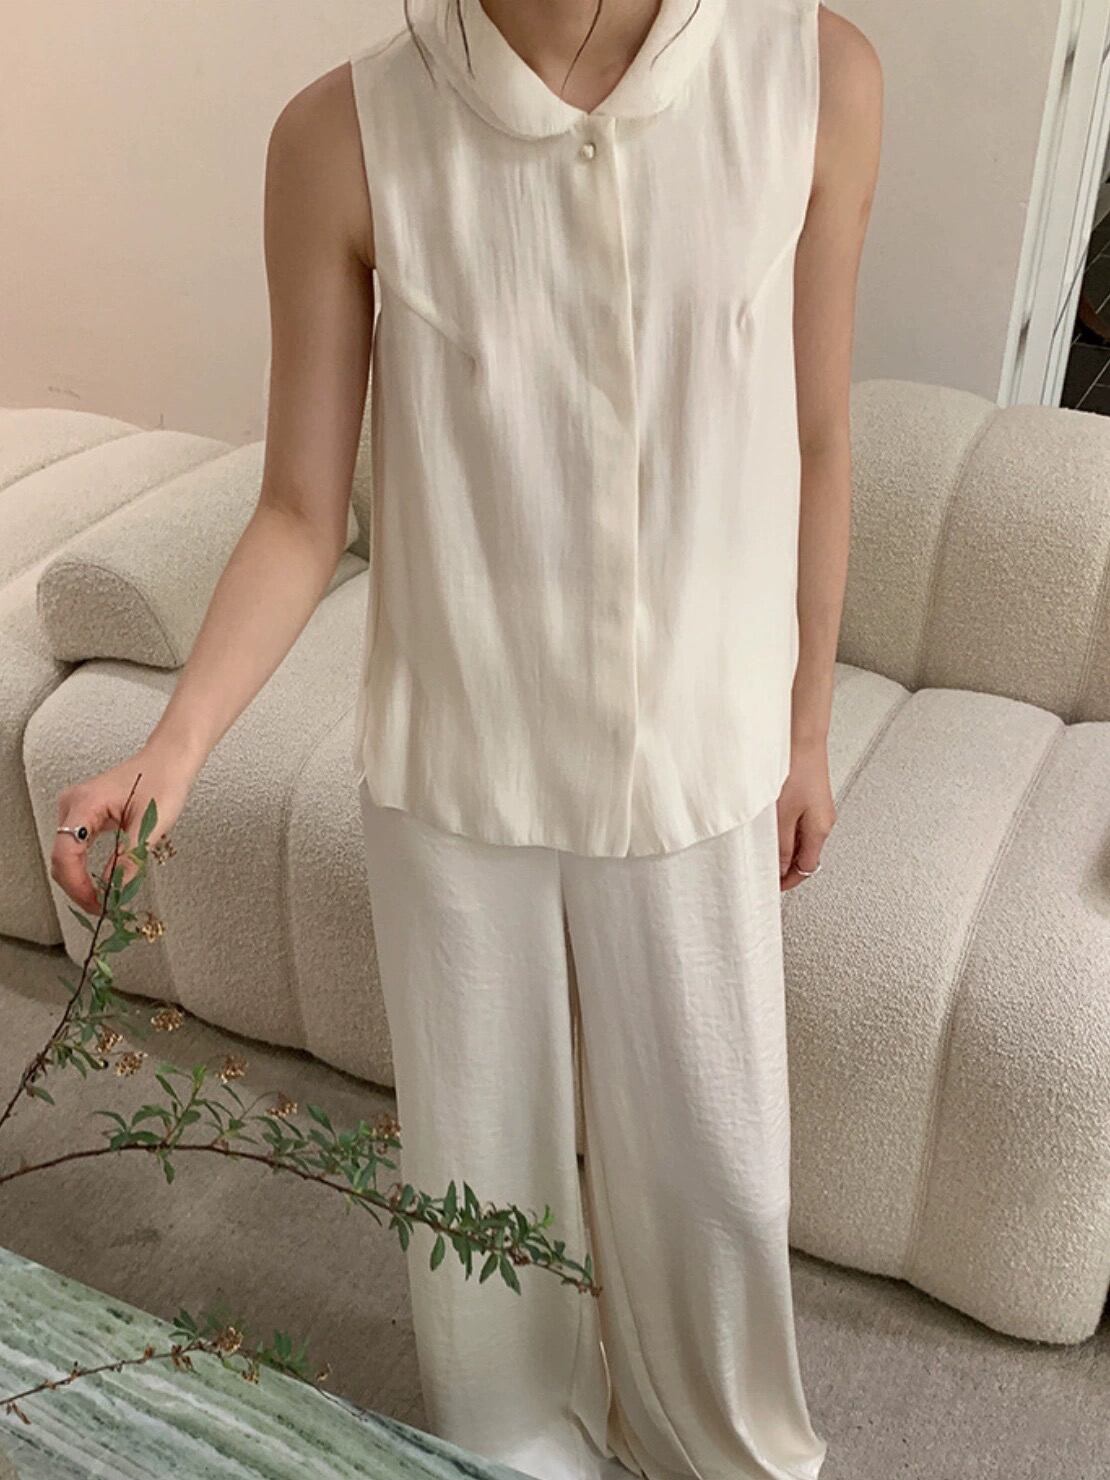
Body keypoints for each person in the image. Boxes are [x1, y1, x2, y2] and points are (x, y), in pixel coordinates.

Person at [51, 1, 882, 1476]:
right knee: (482, 1215)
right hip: (458, 772)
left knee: (723, 1191)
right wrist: (170, 750)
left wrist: (805, 728)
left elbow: (818, 436)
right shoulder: (342, 136)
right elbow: (300, 510)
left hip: (701, 764)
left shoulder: (811, 75)